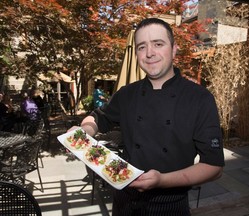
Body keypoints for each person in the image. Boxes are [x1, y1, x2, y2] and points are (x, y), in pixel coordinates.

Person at [69, 18, 224, 215]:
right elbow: (97, 118)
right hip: (123, 202)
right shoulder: (126, 94)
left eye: (158, 44)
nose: (149, 53)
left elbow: (214, 167)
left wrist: (162, 180)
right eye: (142, 47)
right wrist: (83, 132)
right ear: (137, 54)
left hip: (169, 206)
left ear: (174, 49)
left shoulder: (199, 98)